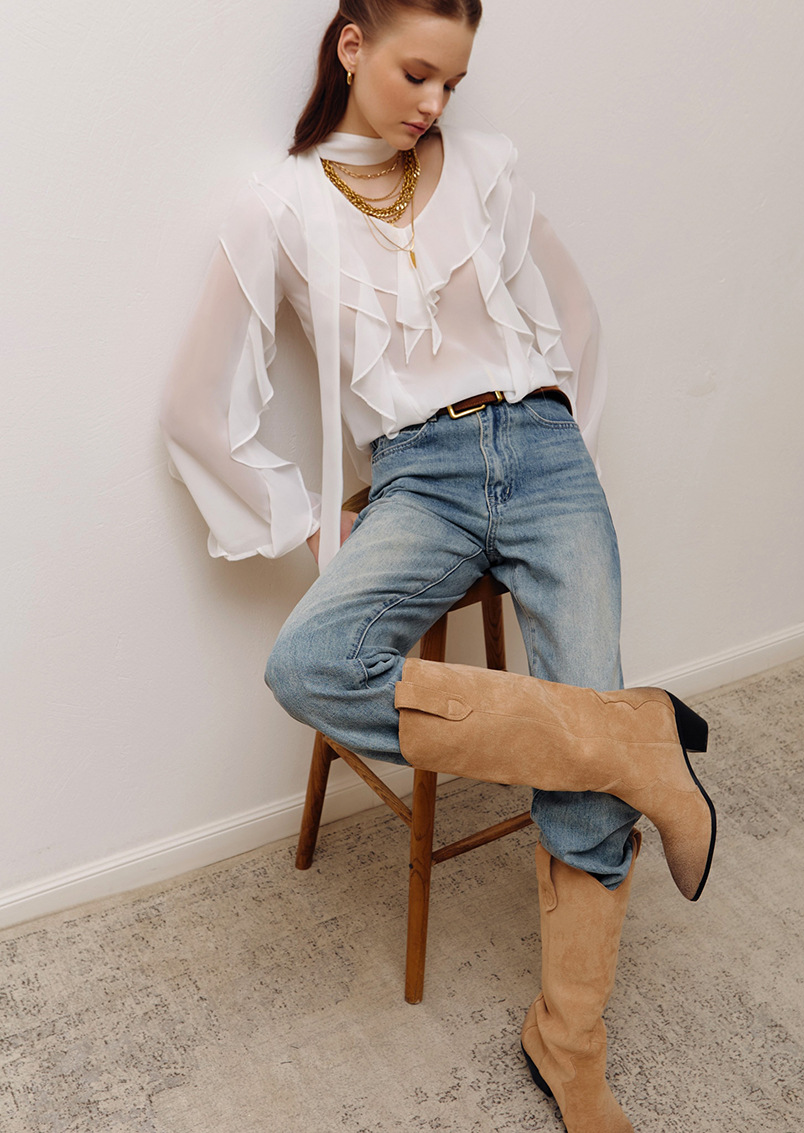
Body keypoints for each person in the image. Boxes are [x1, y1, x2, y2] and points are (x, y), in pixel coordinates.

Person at [160, 3, 716, 1129]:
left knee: (580, 764)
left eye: (452, 84)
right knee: (311, 663)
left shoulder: (488, 168)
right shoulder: (277, 206)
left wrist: (559, 458)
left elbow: (576, 325)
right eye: (418, 73)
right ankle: (633, 739)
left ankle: (569, 1042)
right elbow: (192, 409)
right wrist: (312, 526)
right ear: (350, 45)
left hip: (544, 449)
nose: (434, 104)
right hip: (417, 475)